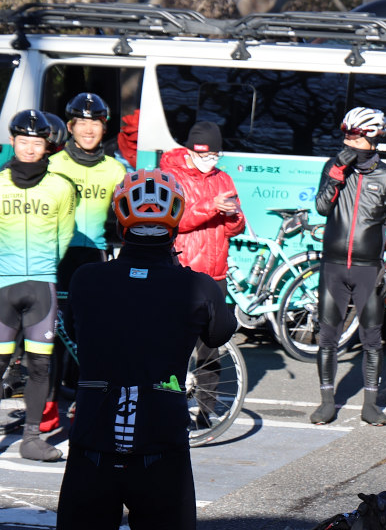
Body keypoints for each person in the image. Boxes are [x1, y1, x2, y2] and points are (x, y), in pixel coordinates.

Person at [56, 169, 235, 530]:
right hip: (161, 442)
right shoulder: (197, 287)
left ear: (122, 220)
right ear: (175, 221)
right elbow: (220, 334)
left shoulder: (87, 278)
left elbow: (76, 329)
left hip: (93, 439)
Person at [311, 107, 386, 426]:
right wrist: (337, 172)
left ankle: (370, 403)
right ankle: (327, 401)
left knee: (371, 338)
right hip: (333, 265)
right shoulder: (335, 166)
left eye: (353, 134)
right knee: (326, 336)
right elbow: (323, 207)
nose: (347, 140)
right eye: (346, 133)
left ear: (371, 136)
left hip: (369, 268)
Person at [46, 94, 128, 430]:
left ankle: (85, 398)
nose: (89, 129)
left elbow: (125, 217)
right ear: (71, 127)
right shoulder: (54, 165)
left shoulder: (115, 168)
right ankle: (48, 405)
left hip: (94, 257)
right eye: (82, 123)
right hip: (57, 257)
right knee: (49, 333)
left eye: (96, 123)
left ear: (103, 127)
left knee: (89, 333)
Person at [0, 109, 75, 461]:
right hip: (4, 286)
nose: (30, 148)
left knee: (40, 366)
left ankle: (31, 438)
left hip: (42, 286)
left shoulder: (61, 186)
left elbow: (64, 236)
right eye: (23, 141)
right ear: (12, 141)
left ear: (47, 145)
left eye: (37, 142)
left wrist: (44, 268)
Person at [159, 121, 245, 430]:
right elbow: (176, 220)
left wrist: (233, 215)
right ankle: (171, 409)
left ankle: (206, 411)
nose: (211, 162)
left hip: (216, 273)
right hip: (183, 271)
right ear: (192, 151)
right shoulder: (174, 176)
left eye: (216, 156)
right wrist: (212, 206)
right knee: (175, 348)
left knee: (212, 345)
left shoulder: (224, 179)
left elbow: (237, 227)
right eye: (206, 156)